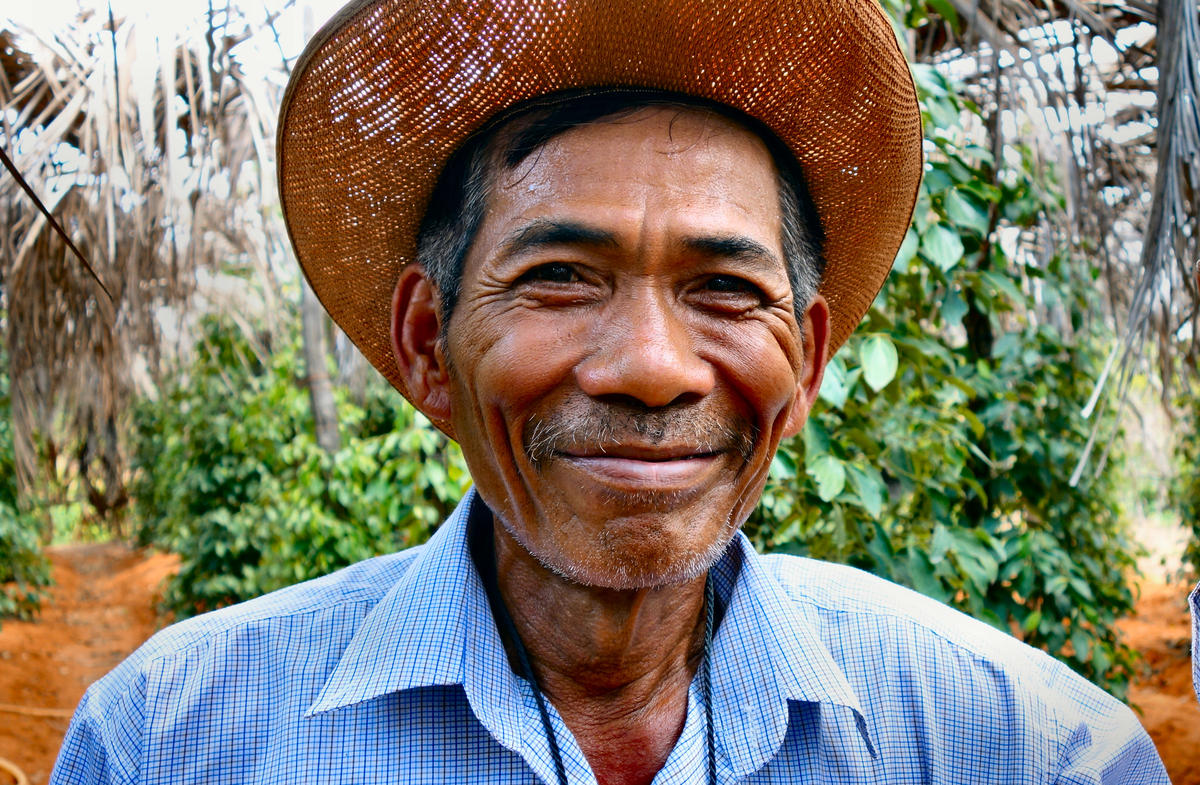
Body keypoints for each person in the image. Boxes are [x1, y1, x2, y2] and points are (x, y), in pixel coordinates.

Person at [52, 0, 1170, 782]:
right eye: (557, 278)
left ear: (809, 362)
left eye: (727, 288)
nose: (649, 366)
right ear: (428, 343)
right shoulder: (172, 743)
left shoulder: (1027, 750)